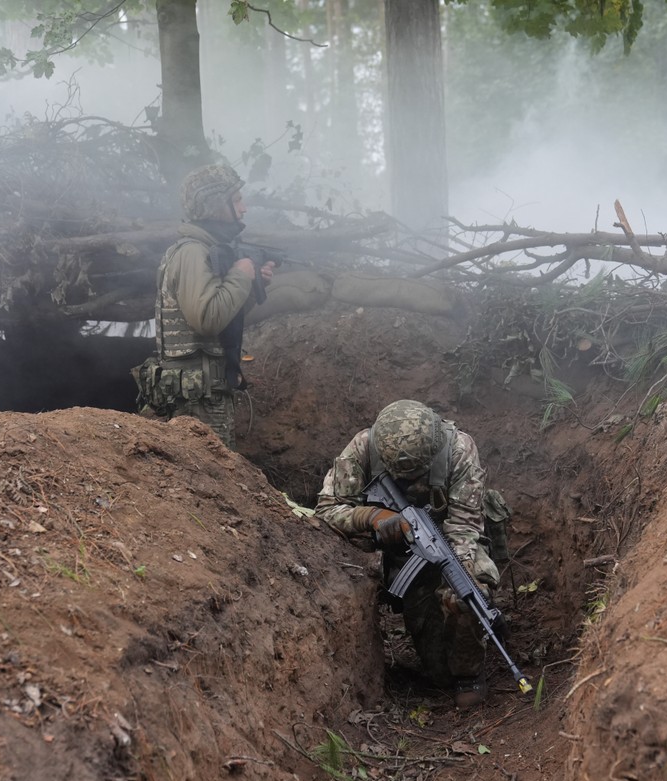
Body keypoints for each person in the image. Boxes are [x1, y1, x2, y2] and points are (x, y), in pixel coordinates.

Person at [315, 399, 502, 709]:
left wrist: (462, 572)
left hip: (451, 542)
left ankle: (469, 674)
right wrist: (372, 518)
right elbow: (326, 510)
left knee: (467, 596)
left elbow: (465, 526)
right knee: (437, 673)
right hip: (404, 556)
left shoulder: (458, 450)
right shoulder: (363, 447)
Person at [132, 164, 274, 449]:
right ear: (214, 206)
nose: (244, 209)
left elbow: (222, 316)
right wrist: (240, 275)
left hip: (205, 395)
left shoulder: (204, 249)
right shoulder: (193, 252)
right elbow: (206, 319)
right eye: (236, 200)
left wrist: (248, 286)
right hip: (196, 402)